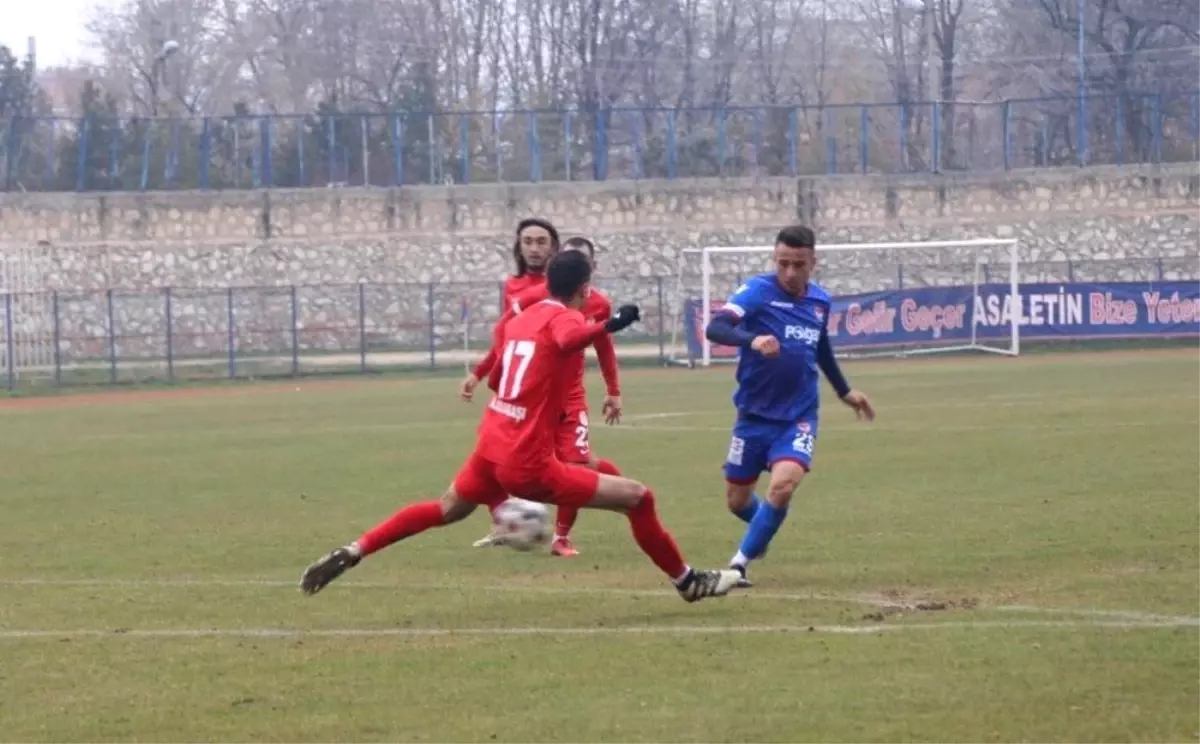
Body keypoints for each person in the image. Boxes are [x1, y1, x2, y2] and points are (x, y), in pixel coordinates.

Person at [301, 250, 742, 603]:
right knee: (639, 498)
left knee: (446, 510)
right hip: (527, 463)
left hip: (491, 445)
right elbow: (570, 338)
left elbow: (500, 377)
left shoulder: (522, 317)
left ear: (548, 282)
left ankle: (354, 550)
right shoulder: (567, 317)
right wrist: (610, 324)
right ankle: (687, 581)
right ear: (585, 289)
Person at [705, 225, 876, 587]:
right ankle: (762, 531)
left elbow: (821, 347)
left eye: (798, 264)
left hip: (798, 417)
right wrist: (752, 340)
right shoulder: (756, 291)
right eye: (783, 263)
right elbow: (716, 328)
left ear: (813, 262)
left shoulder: (820, 301)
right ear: (774, 259)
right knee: (737, 501)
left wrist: (844, 391)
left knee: (782, 487)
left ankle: (738, 566)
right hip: (752, 417)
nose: (790, 273)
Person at [469, 236, 622, 557]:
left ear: (592, 268)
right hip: (535, 397)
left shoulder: (600, 304)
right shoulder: (538, 298)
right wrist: (483, 372)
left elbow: (603, 346)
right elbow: (504, 333)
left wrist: (613, 390)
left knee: (576, 464)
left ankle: (561, 538)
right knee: (520, 463)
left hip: (572, 398)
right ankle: (509, 521)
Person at [459, 218, 560, 402]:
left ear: (553, 247)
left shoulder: (562, 286)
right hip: (518, 381)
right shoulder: (512, 287)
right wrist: (477, 374)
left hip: (553, 384)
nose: (534, 249)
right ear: (519, 247)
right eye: (528, 242)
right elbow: (505, 339)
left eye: (541, 242)